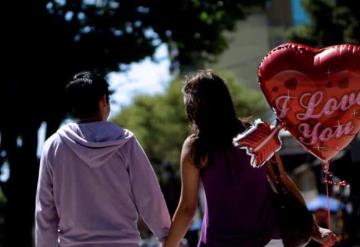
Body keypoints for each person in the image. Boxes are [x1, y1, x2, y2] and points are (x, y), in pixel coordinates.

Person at [163, 70, 336, 247]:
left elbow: (187, 208)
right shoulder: (258, 135)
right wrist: (314, 229)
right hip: (269, 240)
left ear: (195, 107)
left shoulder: (196, 147)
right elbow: (282, 181)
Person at [35, 72, 170, 247]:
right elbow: (149, 197)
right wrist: (167, 235)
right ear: (103, 101)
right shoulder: (125, 142)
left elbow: (45, 212)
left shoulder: (53, 146)